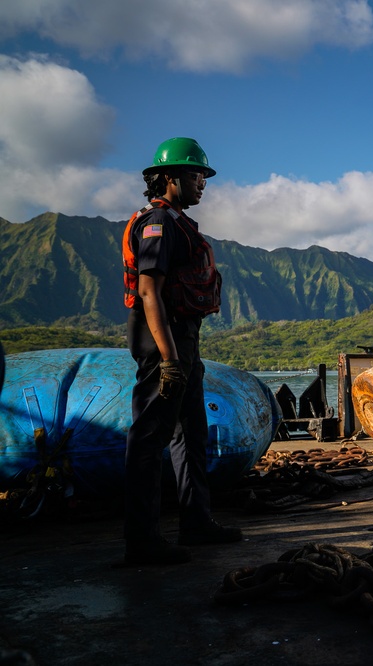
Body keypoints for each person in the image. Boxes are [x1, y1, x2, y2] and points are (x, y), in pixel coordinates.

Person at [122, 137, 240, 565]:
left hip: (182, 340)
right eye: (195, 175)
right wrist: (169, 360)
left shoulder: (177, 221)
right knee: (150, 438)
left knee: (190, 432)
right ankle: (142, 541)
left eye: (203, 176)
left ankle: (196, 522)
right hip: (163, 341)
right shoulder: (158, 224)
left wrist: (184, 356)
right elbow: (150, 291)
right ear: (169, 178)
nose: (202, 184)